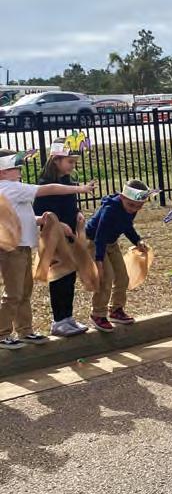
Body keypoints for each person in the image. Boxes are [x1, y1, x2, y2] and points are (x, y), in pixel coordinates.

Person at [0, 149, 96, 349]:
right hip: (13, 250)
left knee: (24, 292)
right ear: (2, 172)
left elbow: (24, 217)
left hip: (23, 247)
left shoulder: (13, 189)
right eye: (15, 168)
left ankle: (25, 331)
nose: (20, 171)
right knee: (13, 294)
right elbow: (49, 189)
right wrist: (81, 189)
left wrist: (40, 219)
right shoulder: (9, 187)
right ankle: (2, 334)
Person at [32, 136, 91, 337]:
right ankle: (58, 321)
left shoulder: (67, 182)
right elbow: (41, 213)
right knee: (59, 278)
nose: (73, 166)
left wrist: (78, 213)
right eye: (69, 161)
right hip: (54, 239)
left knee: (70, 277)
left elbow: (70, 205)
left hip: (70, 237)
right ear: (56, 160)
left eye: (74, 162)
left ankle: (68, 317)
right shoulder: (45, 185)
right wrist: (59, 225)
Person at [85, 179, 154, 332]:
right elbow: (100, 235)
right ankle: (98, 313)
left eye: (139, 206)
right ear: (122, 197)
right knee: (106, 277)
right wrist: (99, 260)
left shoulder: (130, 208)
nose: (133, 209)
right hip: (95, 242)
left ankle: (116, 309)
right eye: (131, 205)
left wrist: (137, 240)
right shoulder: (110, 209)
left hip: (111, 243)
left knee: (122, 276)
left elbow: (127, 226)